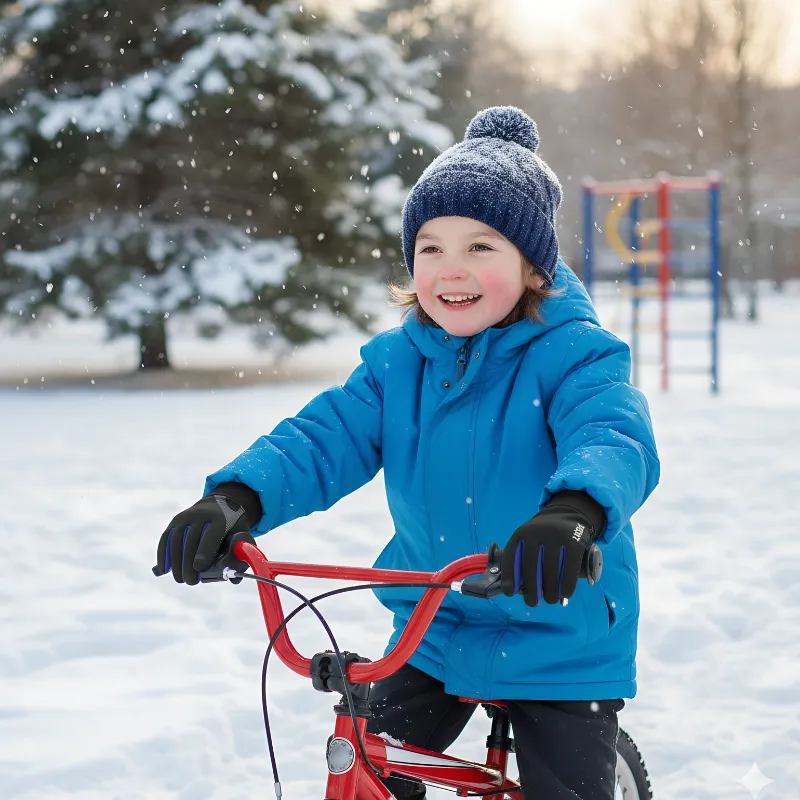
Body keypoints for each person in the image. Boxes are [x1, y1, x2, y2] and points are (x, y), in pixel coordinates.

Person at [154, 106, 660, 799]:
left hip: (558, 628)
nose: (452, 270)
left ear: (534, 267)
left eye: (481, 247)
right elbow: (321, 439)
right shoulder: (397, 365)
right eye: (430, 248)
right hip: (436, 625)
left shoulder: (575, 356)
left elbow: (614, 436)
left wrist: (574, 512)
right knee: (369, 760)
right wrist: (236, 499)